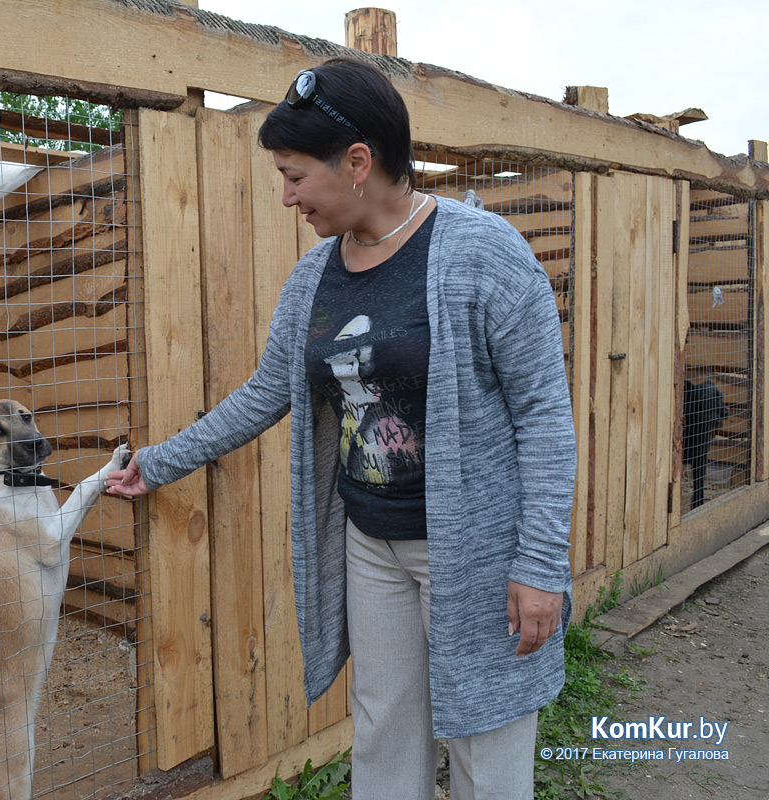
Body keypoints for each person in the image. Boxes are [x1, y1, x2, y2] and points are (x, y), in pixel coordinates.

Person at [107, 57, 575, 800]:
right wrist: (158, 463)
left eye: (295, 175)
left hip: (475, 551)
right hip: (370, 544)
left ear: (358, 162)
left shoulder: (484, 253)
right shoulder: (313, 280)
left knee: (488, 736)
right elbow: (267, 392)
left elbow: (545, 416)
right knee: (384, 729)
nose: (287, 195)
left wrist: (542, 565)